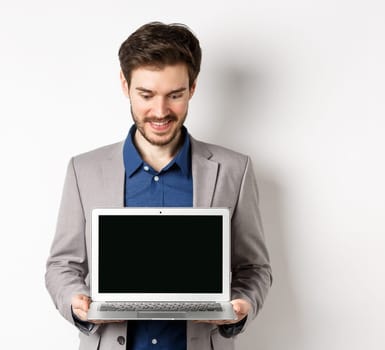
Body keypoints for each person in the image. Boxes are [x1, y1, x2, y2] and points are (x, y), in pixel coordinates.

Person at [45, 22, 272, 350]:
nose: (160, 111)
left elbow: (254, 268)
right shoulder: (84, 170)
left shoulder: (234, 170)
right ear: (125, 84)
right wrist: (75, 302)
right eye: (146, 94)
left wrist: (242, 305)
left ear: (192, 88)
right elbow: (62, 265)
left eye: (175, 95)